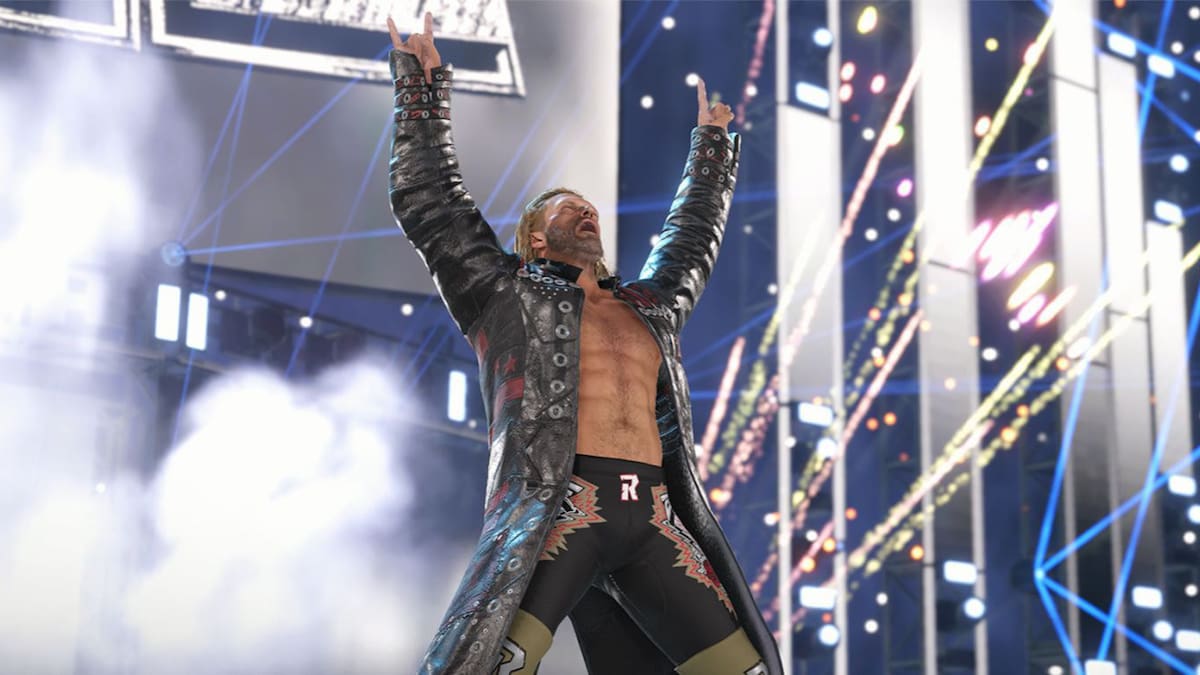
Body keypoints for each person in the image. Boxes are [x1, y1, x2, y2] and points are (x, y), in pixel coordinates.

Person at [386, 12, 782, 675]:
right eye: (567, 207)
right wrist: (420, 90)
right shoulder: (505, 295)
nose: (586, 209)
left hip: (655, 518)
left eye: (588, 205)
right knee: (490, 665)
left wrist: (711, 151)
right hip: (557, 511)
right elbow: (430, 202)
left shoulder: (650, 309)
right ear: (537, 238)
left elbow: (690, 240)